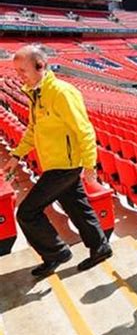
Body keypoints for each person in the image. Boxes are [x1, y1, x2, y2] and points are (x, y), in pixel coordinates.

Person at [4, 45, 112, 277]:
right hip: (54, 164)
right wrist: (16, 156)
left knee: (27, 212)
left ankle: (56, 252)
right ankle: (100, 247)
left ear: (40, 66)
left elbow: (85, 130)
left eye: (23, 70)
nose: (19, 75)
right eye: (16, 71)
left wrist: (90, 165)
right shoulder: (36, 92)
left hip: (65, 166)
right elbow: (33, 129)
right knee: (77, 207)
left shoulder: (62, 93)